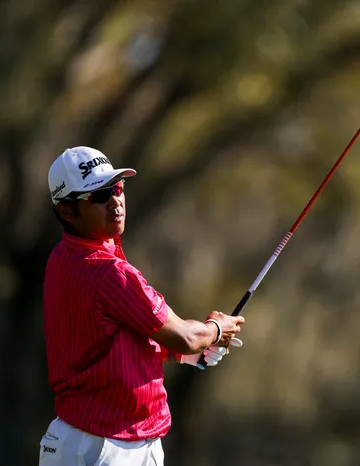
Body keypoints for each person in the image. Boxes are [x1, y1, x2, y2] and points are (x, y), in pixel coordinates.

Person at [38, 146, 246, 465]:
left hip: (72, 440)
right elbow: (186, 336)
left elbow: (107, 345)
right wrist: (217, 329)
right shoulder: (109, 272)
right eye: (99, 195)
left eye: (117, 188)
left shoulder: (61, 258)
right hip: (111, 447)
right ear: (66, 210)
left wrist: (186, 355)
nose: (115, 201)